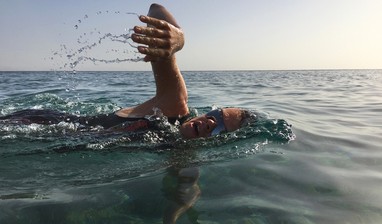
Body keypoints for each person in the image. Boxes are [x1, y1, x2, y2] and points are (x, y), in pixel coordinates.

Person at [0, 4, 251, 140]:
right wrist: (180, 39)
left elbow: (182, 189)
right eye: (216, 116)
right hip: (39, 123)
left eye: (219, 128)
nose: (209, 123)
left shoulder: (177, 150)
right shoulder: (173, 107)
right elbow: (156, 10)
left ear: (220, 140)